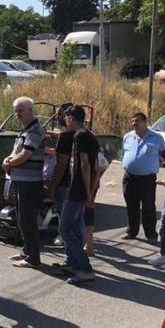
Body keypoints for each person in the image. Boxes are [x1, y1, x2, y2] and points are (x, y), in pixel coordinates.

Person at [2, 96, 48, 268]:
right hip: (21, 180)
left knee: (28, 219)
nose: (17, 114)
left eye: (20, 111)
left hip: (30, 182)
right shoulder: (25, 131)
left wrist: (8, 163)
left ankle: (33, 258)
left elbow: (25, 155)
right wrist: (8, 159)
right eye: (16, 111)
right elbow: (16, 152)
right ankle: (26, 251)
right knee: (22, 218)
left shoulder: (35, 131)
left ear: (30, 110)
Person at [57, 105, 99, 286]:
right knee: (74, 227)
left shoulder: (79, 136)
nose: (65, 121)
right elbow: (97, 166)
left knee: (65, 229)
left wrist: (88, 193)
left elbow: (85, 165)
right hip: (82, 190)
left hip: (77, 190)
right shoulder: (91, 135)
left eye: (66, 117)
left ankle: (86, 269)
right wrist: (92, 189)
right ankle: (74, 264)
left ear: (71, 119)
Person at [120, 112, 165, 242]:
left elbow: (163, 157)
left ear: (145, 122)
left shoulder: (157, 138)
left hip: (147, 179)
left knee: (148, 206)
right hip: (130, 178)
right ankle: (131, 231)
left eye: (137, 121)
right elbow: (123, 154)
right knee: (131, 206)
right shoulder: (127, 137)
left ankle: (151, 234)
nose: (134, 124)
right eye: (132, 121)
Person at [47, 102, 74, 247]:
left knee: (64, 210)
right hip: (77, 181)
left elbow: (61, 164)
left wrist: (53, 186)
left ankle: (65, 238)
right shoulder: (81, 133)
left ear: (68, 116)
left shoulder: (66, 136)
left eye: (59, 114)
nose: (57, 117)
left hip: (65, 180)